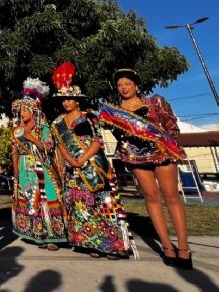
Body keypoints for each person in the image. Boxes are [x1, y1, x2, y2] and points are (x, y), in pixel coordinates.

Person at [105, 68, 191, 268]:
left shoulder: (154, 102)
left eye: (127, 84)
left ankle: (184, 247)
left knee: (171, 195)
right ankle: (168, 246)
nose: (124, 88)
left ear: (136, 85)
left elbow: (172, 126)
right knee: (151, 196)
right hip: (136, 156)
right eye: (119, 85)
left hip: (162, 153)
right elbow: (119, 137)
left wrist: (161, 139)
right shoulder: (116, 112)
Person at [49, 62, 134, 260]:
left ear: (77, 100)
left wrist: (84, 158)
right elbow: (60, 144)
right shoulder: (57, 123)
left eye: (69, 99)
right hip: (73, 169)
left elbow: (97, 140)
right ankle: (89, 243)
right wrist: (71, 160)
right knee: (79, 206)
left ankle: (111, 245)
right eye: (63, 100)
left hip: (93, 164)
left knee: (101, 205)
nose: (66, 103)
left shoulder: (90, 117)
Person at [11, 78, 68, 251]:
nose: (22, 113)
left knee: (47, 198)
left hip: (42, 168)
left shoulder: (44, 128)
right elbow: (15, 151)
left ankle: (53, 235)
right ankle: (37, 234)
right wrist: (15, 171)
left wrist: (31, 138)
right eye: (20, 110)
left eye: (24, 110)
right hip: (25, 169)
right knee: (30, 200)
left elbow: (49, 147)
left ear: (32, 110)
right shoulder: (17, 130)